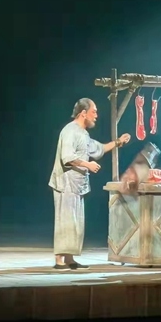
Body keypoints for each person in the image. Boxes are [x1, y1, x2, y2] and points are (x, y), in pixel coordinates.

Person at [48, 98, 131, 271]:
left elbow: (98, 148)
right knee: (65, 220)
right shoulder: (70, 131)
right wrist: (88, 165)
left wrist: (118, 142)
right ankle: (59, 260)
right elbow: (67, 157)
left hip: (77, 185)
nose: (96, 115)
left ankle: (69, 258)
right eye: (94, 111)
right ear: (83, 113)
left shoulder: (83, 134)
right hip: (65, 183)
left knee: (75, 222)